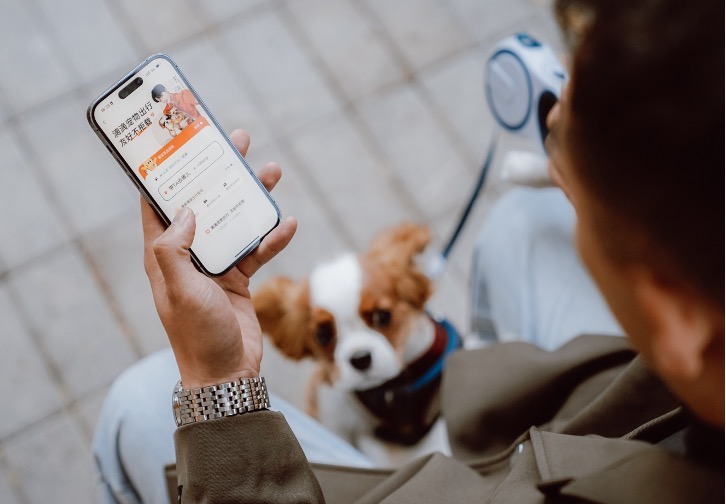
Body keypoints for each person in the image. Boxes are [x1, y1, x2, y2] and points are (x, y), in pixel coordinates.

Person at [94, 0, 723, 502]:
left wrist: (218, 386)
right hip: (602, 415)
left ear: (675, 317)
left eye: (561, 140)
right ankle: (487, 369)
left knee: (140, 401)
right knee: (526, 222)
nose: (550, 116)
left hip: (492, 478)